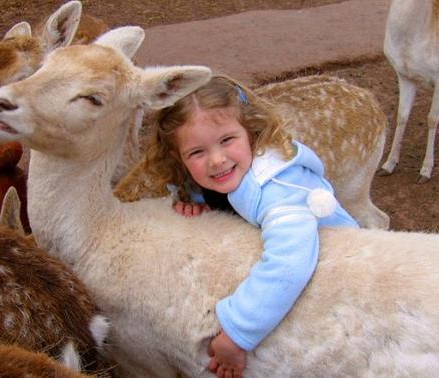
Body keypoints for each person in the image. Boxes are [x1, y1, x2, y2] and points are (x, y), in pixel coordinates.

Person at [140, 75, 359, 378]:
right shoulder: (229, 168)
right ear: (179, 157)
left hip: (345, 276)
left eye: (227, 140)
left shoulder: (276, 189)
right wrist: (193, 199)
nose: (216, 160)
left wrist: (236, 333)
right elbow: (204, 179)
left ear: (252, 133)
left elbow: (289, 264)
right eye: (197, 153)